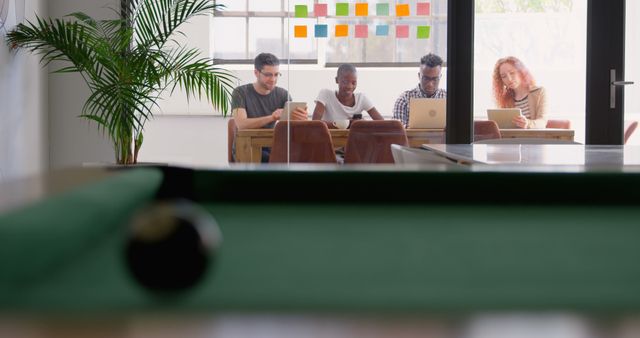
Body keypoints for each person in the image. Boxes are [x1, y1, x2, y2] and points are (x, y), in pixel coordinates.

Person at [231, 53, 307, 162]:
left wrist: (301, 119)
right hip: (246, 146)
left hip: (271, 145)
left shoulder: (283, 94)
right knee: (276, 161)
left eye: (276, 74)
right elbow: (241, 124)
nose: (273, 79)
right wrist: (272, 117)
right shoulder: (240, 93)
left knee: (298, 157)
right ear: (256, 73)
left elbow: (291, 127)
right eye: (268, 75)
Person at [312, 64, 383, 127]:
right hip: (330, 140)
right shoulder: (325, 94)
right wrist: (348, 124)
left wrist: (363, 124)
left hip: (354, 140)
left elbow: (382, 122)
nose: (349, 86)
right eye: (345, 82)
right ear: (337, 80)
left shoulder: (361, 98)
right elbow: (315, 122)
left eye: (354, 83)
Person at [393, 53, 447, 128]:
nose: (430, 84)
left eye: (435, 79)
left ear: (440, 77)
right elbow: (398, 132)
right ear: (419, 76)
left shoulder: (448, 99)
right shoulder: (404, 99)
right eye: (426, 78)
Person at [492, 56, 547, 129]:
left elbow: (542, 122)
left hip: (534, 138)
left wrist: (527, 123)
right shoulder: (505, 99)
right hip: (514, 139)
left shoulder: (539, 92)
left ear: (521, 72)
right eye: (504, 76)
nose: (509, 79)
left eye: (512, 73)